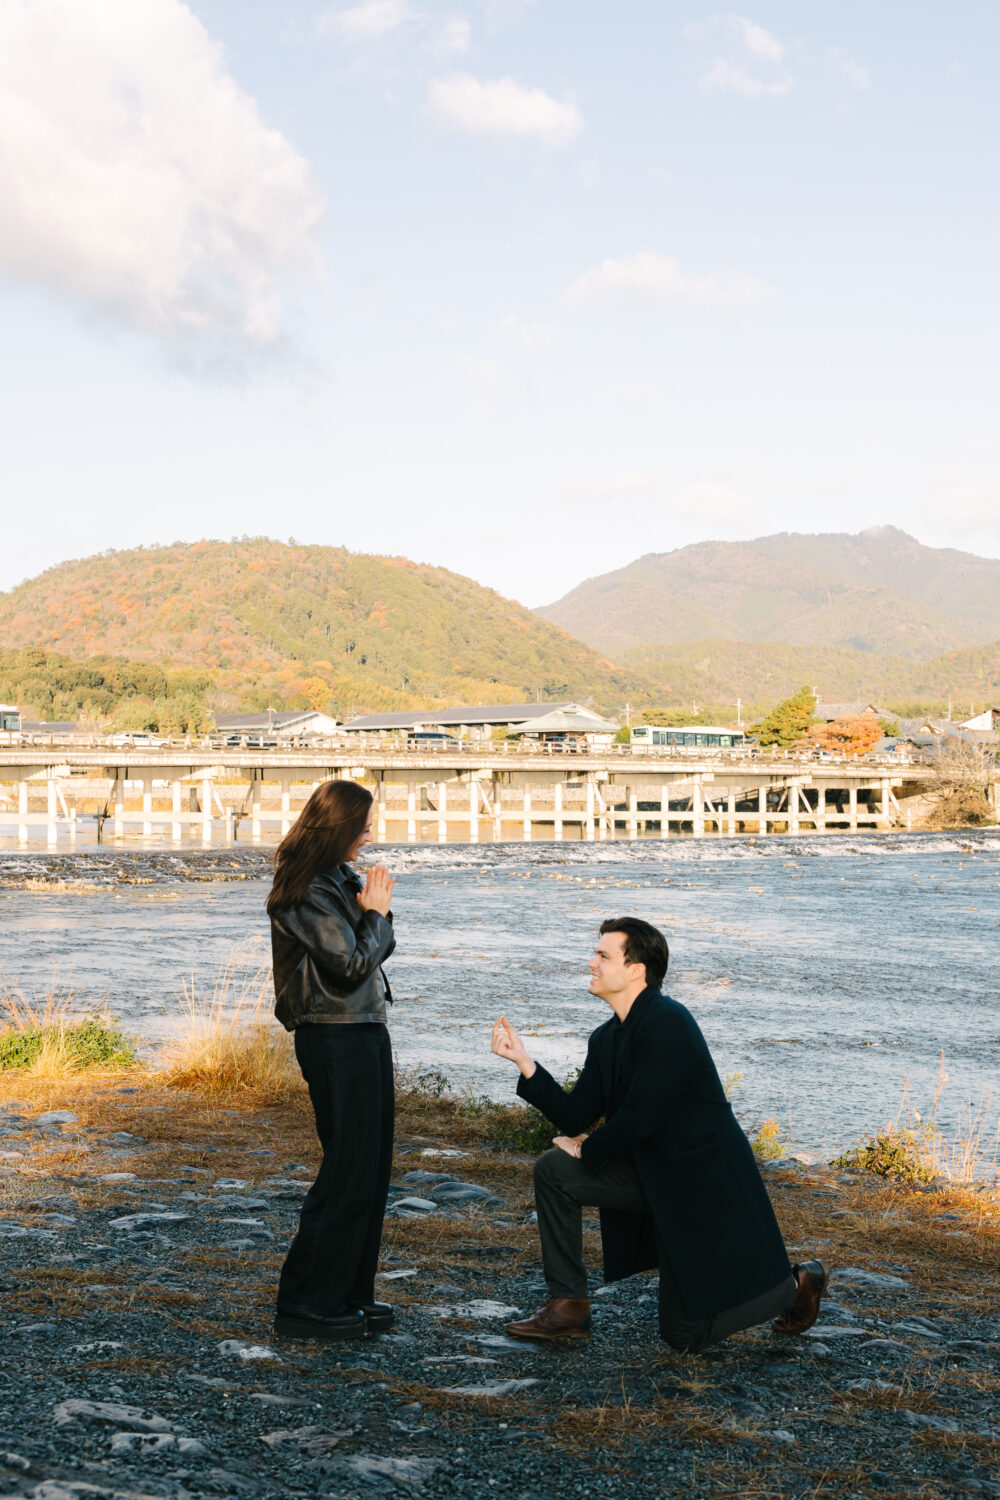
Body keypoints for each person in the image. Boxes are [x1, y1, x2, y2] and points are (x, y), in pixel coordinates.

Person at [491, 917, 827, 1350]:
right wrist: (523, 1062)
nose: (590, 963)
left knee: (683, 1336)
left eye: (602, 955)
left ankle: (795, 1286)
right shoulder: (606, 1037)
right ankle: (568, 1307)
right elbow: (575, 1114)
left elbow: (639, 1118)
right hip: (650, 1173)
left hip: (698, 1185)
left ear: (636, 970)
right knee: (554, 1169)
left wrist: (589, 1146)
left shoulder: (669, 1022)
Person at [267, 779, 396, 1342]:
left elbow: (364, 954)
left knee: (370, 1169)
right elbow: (349, 963)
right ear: (338, 825)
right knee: (346, 1168)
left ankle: (349, 1292)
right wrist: (377, 914)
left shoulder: (340, 880)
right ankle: (306, 1303)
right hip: (332, 1034)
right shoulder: (303, 889)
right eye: (364, 823)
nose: (371, 833)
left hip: (364, 1030)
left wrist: (373, 913)